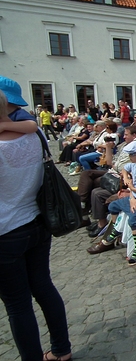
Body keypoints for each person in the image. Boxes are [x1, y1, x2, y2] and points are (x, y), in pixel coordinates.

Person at [0, 90, 72, 360]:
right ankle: (62, 350)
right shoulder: (34, 134)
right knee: (43, 286)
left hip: (6, 231)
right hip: (38, 219)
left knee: (18, 305)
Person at [76, 125, 136, 235]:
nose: (124, 137)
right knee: (87, 174)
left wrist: (123, 172)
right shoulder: (122, 146)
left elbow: (129, 168)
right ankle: (83, 206)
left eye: (126, 135)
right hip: (113, 171)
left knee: (95, 187)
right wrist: (108, 148)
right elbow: (110, 163)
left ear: (134, 136)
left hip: (121, 175)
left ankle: (93, 217)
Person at [103, 141, 136, 265]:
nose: (130, 157)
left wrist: (131, 188)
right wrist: (126, 177)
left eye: (132, 154)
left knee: (133, 220)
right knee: (113, 206)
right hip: (134, 196)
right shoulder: (134, 164)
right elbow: (124, 168)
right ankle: (116, 229)